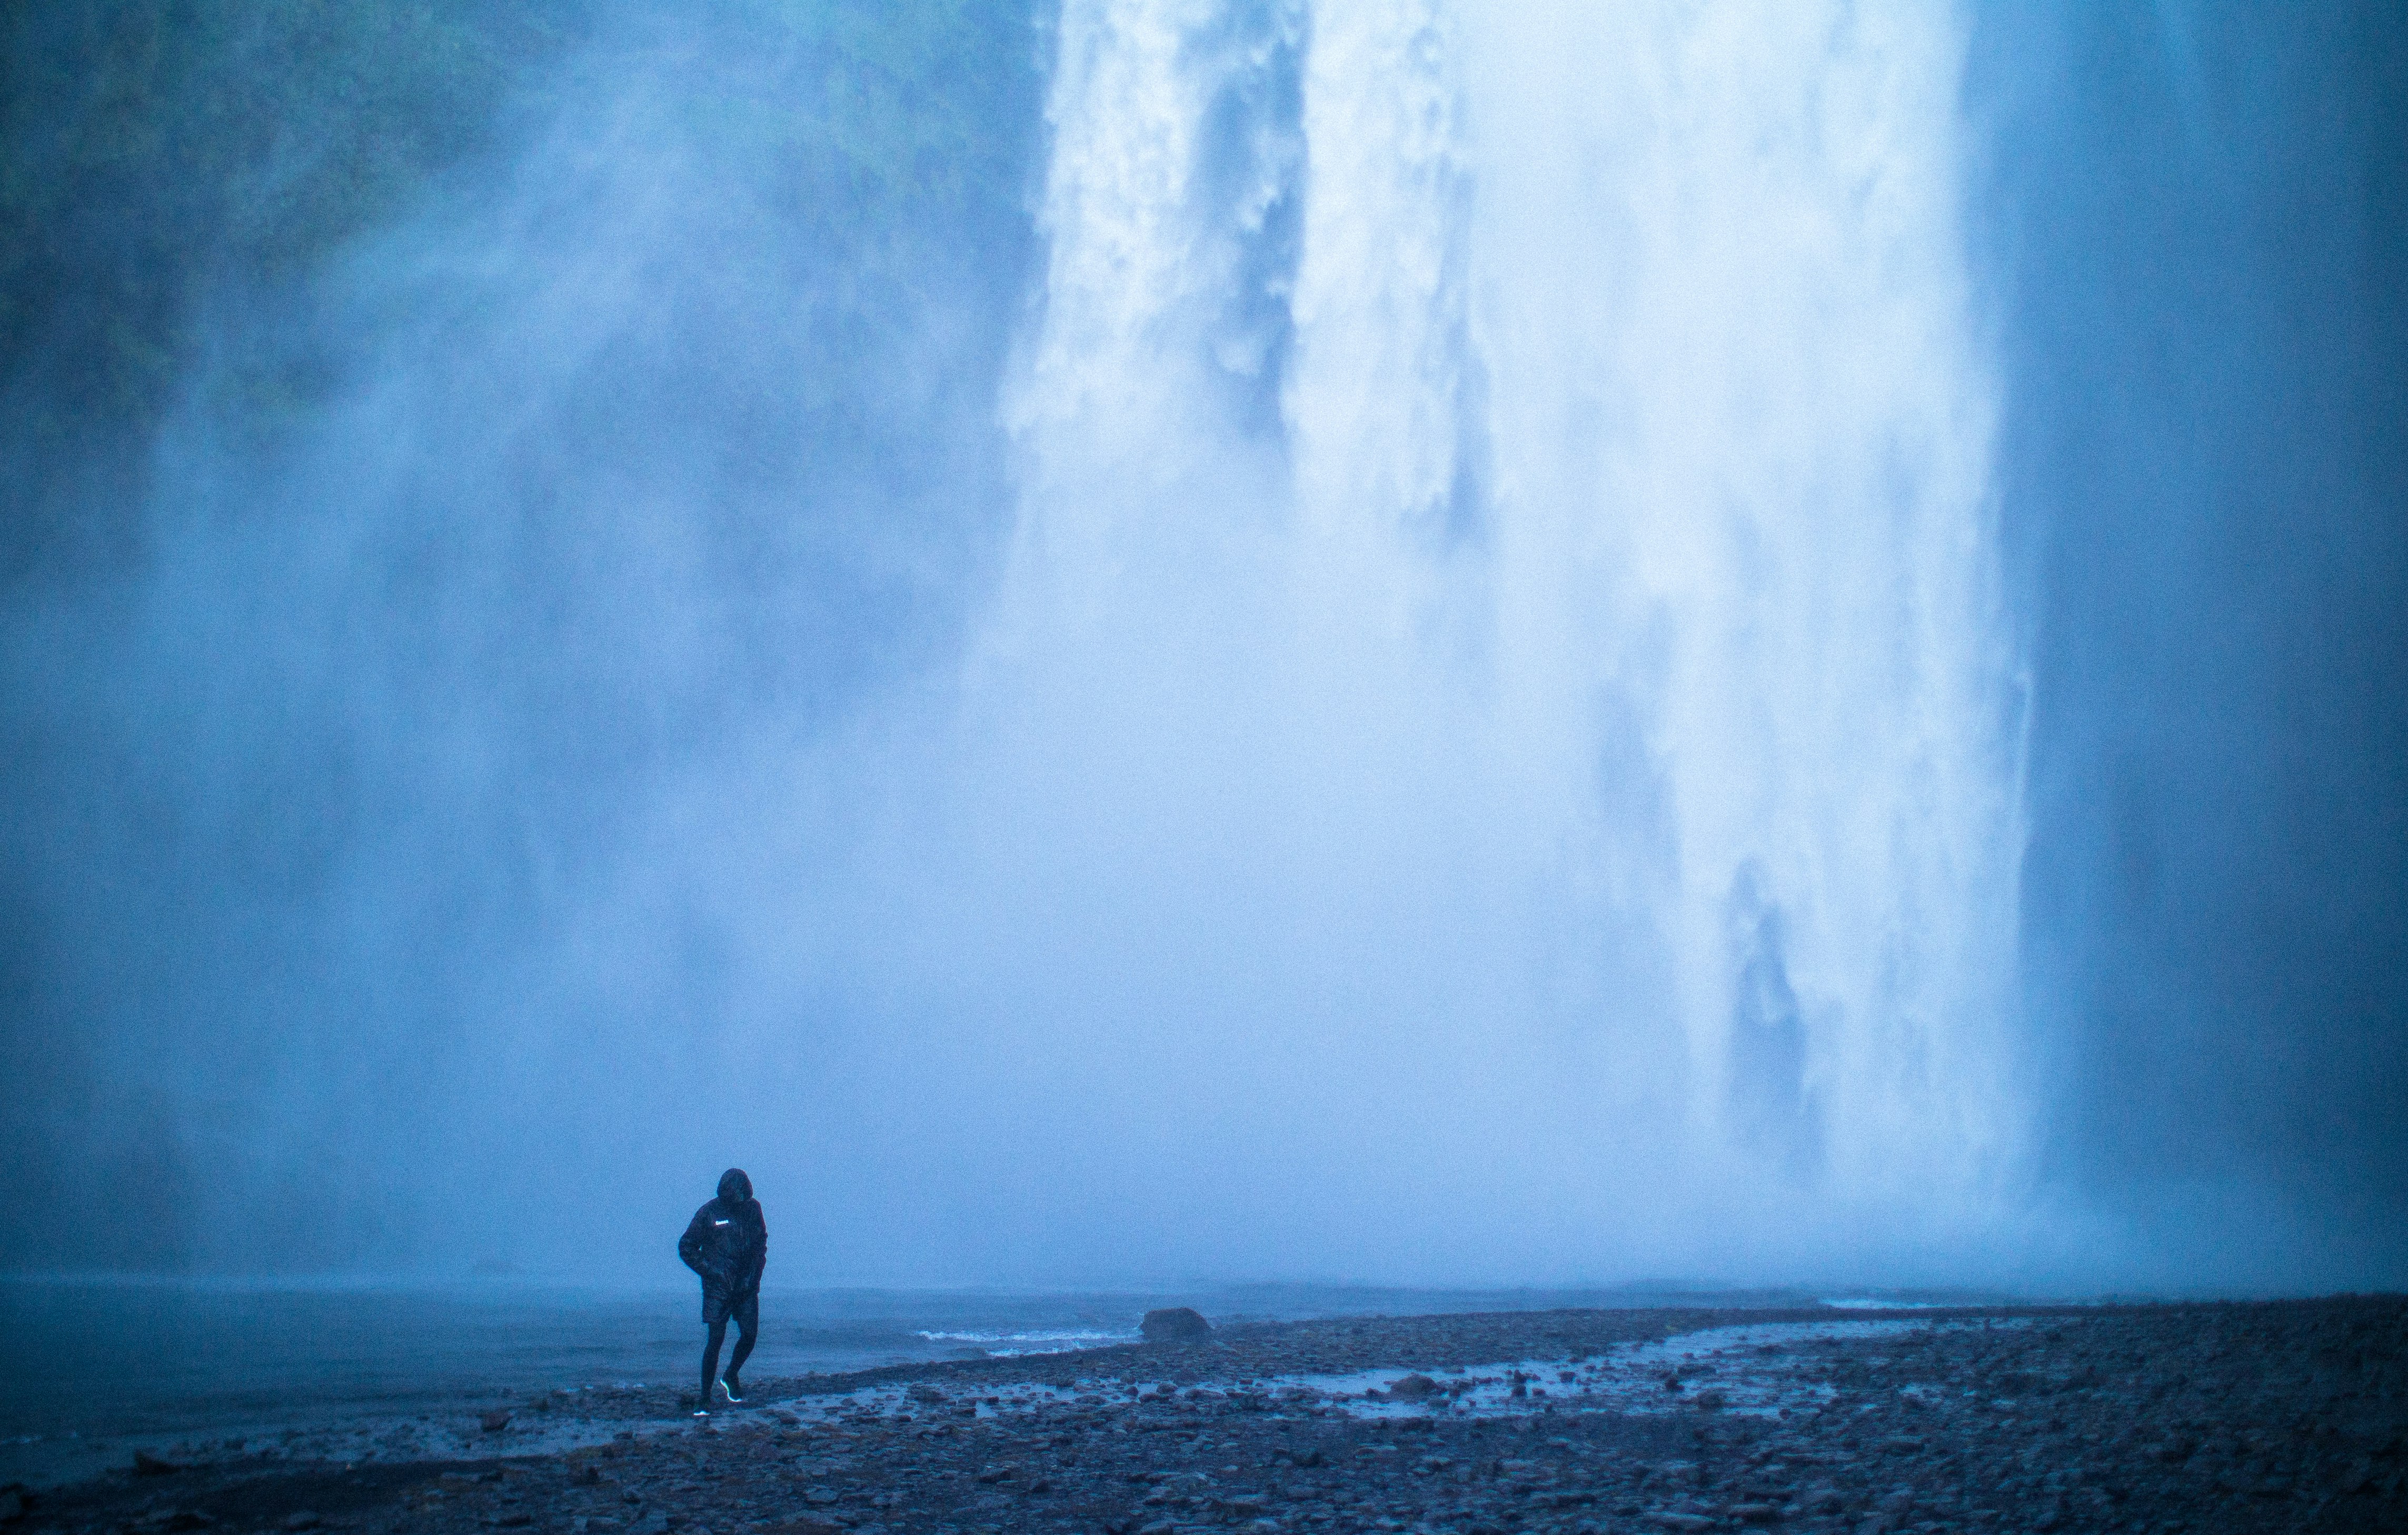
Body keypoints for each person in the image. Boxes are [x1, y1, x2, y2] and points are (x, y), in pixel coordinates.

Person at [678, 1167, 767, 1414]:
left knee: (749, 1335)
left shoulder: (753, 1209)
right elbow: (686, 1246)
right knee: (715, 1341)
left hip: (746, 1286)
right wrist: (709, 1270)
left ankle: (731, 1375)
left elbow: (761, 1244)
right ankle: (705, 1396)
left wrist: (753, 1276)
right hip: (718, 1288)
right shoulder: (708, 1213)